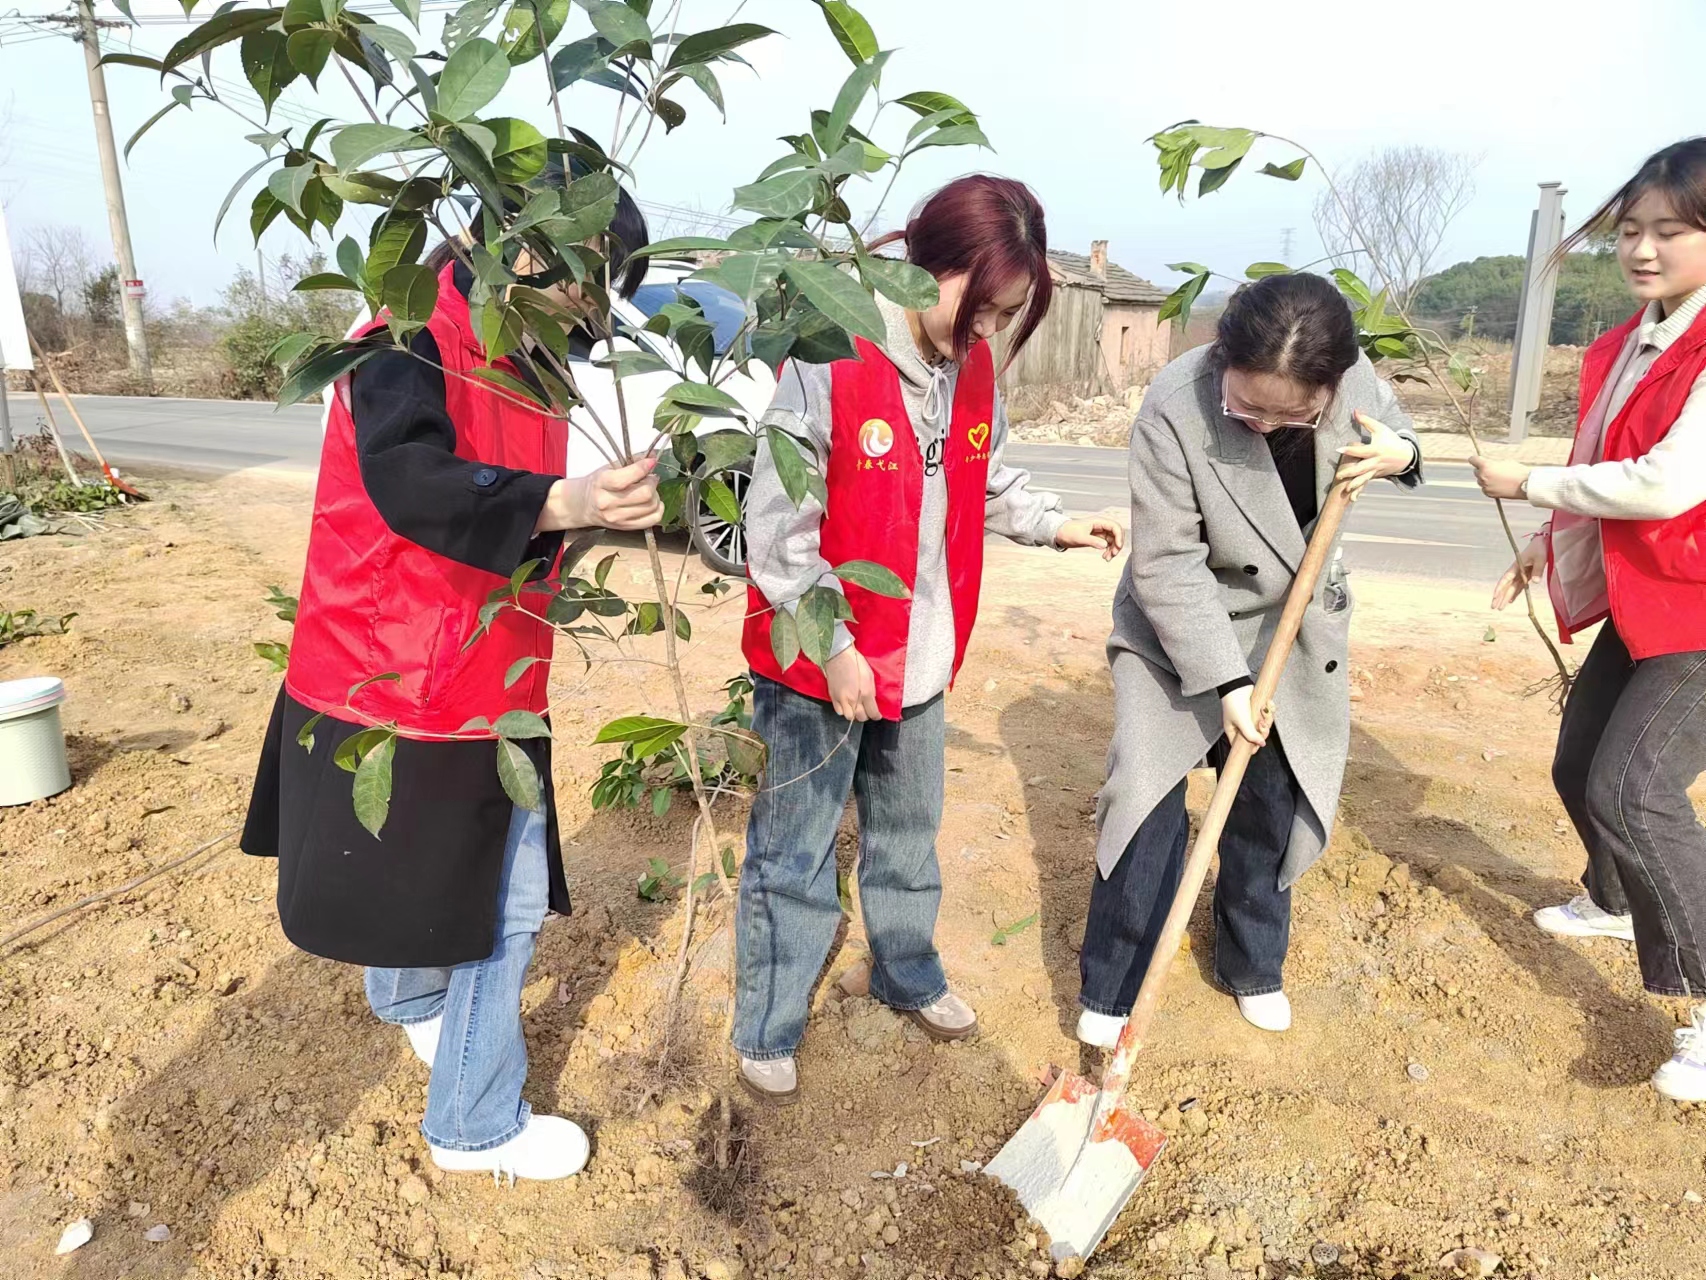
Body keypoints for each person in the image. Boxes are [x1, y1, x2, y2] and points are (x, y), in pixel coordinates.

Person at [241, 162, 662, 1179]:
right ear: (511, 239)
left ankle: (410, 997)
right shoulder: (406, 338)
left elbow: (510, 505)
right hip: (412, 667)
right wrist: (568, 502)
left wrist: (578, 513)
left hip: (458, 655)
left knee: (428, 869)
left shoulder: (521, 357)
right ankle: (475, 1123)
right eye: (583, 276)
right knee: (497, 900)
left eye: (604, 287)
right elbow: (412, 480)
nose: (589, 307)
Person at [733, 175, 1125, 1104]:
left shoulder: (970, 369)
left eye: (1007, 315)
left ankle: (905, 971)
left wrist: (1056, 524)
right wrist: (834, 647)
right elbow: (778, 528)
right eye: (980, 306)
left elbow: (983, 475)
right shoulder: (831, 357)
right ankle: (768, 1024)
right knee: (794, 849)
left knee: (908, 834)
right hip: (818, 665)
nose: (987, 330)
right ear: (925, 266)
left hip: (922, 654)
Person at [1080, 272, 1423, 1045]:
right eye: (1247, 409)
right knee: (1144, 798)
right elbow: (1166, 563)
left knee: (1269, 798)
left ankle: (1253, 964)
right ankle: (1114, 983)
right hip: (1176, 627)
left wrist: (1400, 452)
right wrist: (1227, 683)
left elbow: (1400, 437)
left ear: (1328, 388)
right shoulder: (1176, 403)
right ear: (1222, 358)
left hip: (1287, 628)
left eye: (1288, 415)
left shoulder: (1353, 384)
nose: (1264, 425)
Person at [1470, 138, 1706, 1103]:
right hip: (1651, 595)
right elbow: (1601, 466)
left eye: (1671, 231)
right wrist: (1547, 538)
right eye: (1630, 230)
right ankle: (1612, 900)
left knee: (1635, 789)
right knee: (1579, 765)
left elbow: (1664, 483)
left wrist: (1526, 481)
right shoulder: (1627, 343)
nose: (1643, 250)